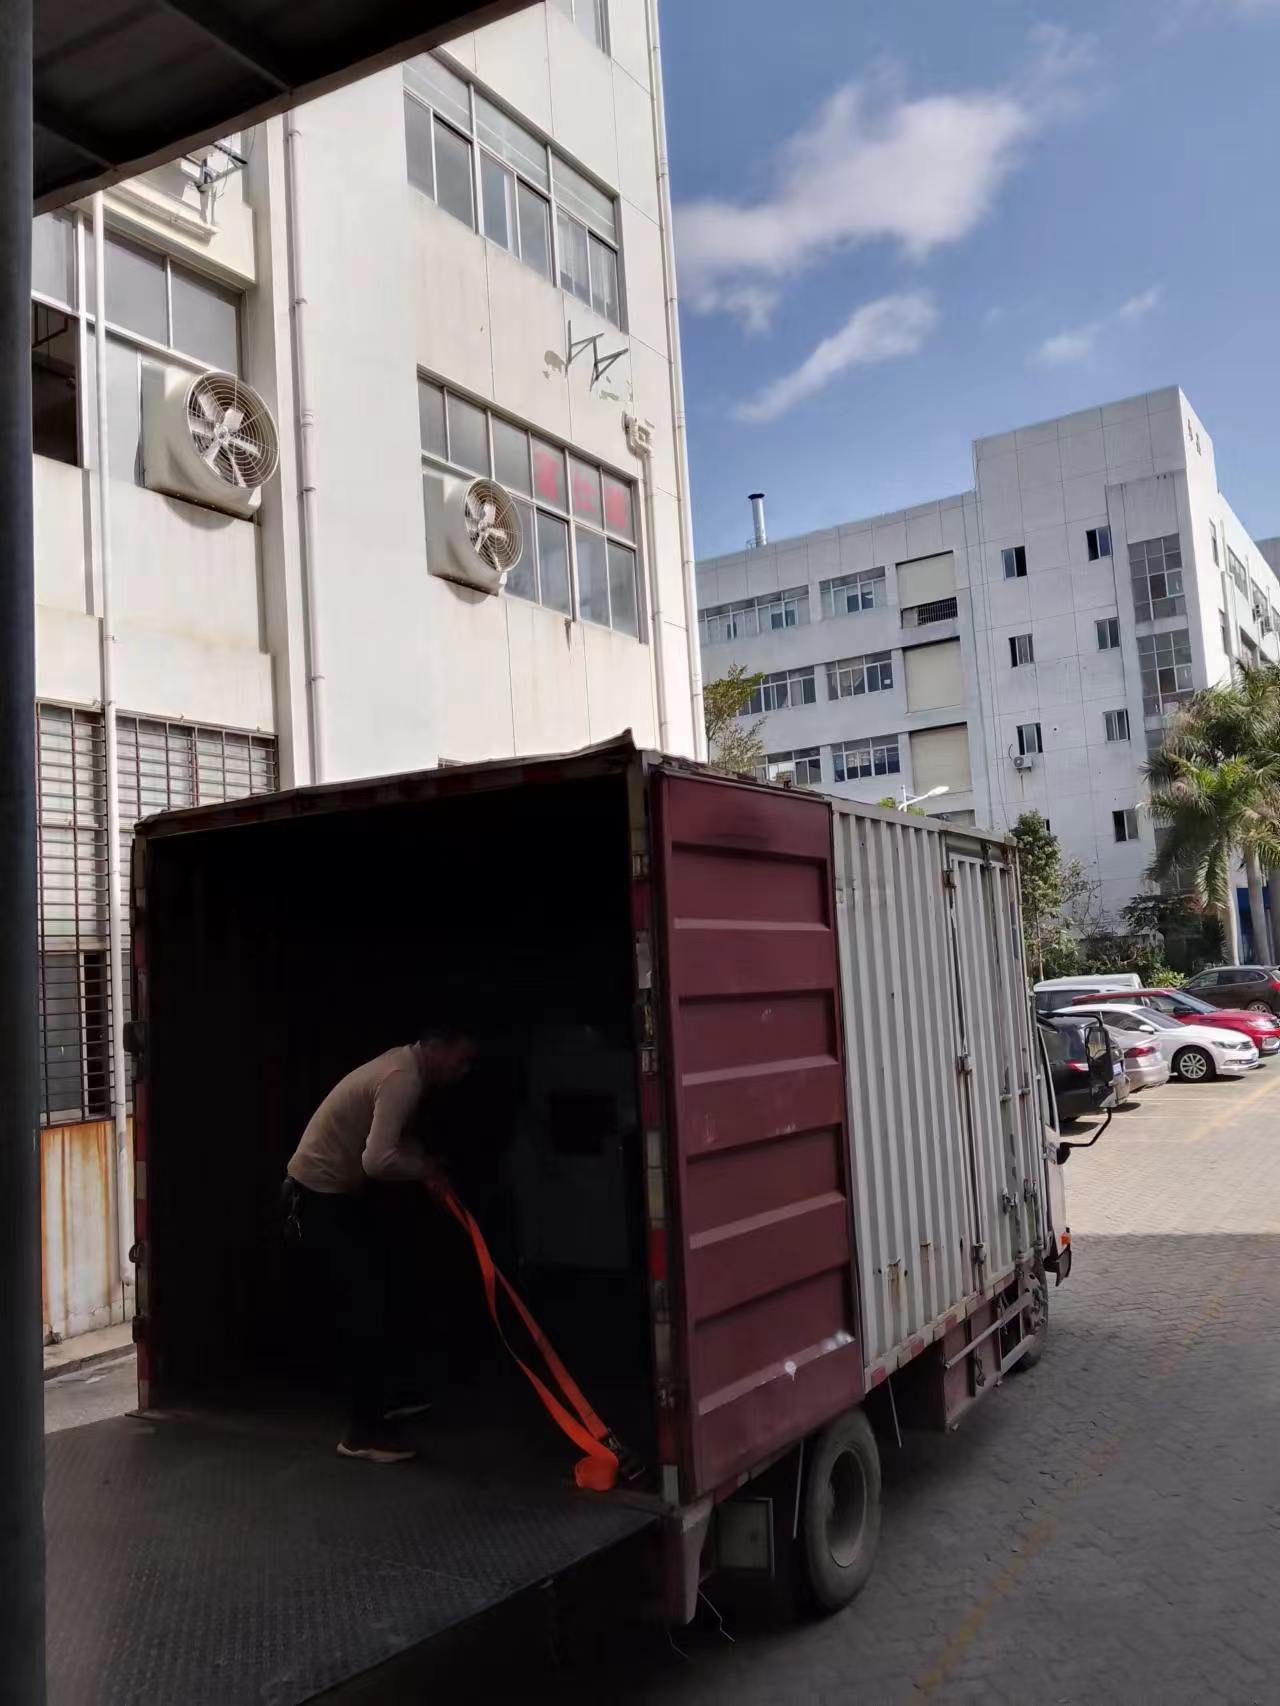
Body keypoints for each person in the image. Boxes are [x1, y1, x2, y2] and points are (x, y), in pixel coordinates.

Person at [283, 1024, 477, 1463]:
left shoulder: (405, 1066)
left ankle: (386, 1398)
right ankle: (363, 1431)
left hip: (330, 1195)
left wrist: (424, 1163)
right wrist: (425, 1171)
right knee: (365, 1305)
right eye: (461, 1059)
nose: (462, 1071)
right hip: (315, 1199)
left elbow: (392, 1139)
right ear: (438, 1046)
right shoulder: (403, 1078)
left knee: (387, 1284)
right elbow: (377, 1159)